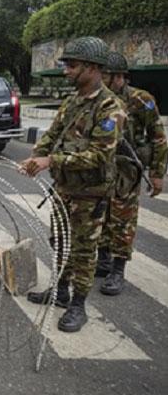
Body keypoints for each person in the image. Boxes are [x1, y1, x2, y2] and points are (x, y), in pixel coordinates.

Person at [19, 36, 125, 333]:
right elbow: (53, 135)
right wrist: (36, 157)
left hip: (90, 193)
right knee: (60, 242)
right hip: (64, 189)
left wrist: (51, 161)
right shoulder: (72, 102)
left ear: (92, 68)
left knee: (83, 249)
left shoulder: (110, 108)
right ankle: (60, 291)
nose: (66, 70)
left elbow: (99, 155)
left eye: (72, 65)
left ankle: (78, 305)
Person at [95, 51, 168, 295]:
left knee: (123, 218)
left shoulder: (141, 100)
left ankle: (118, 269)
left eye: (105, 74)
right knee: (101, 214)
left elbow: (158, 138)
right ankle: (103, 261)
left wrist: (157, 173)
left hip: (127, 168)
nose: (100, 78)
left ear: (119, 77)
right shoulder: (99, 99)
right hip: (101, 167)